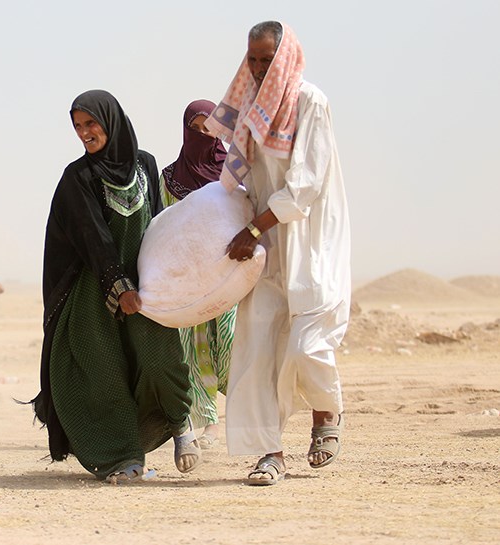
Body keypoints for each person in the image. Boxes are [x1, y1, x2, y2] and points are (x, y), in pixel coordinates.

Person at [204, 21, 350, 485]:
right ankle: (270, 453)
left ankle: (326, 415)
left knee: (308, 345)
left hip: (309, 240)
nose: (260, 67)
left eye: (268, 59)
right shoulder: (251, 109)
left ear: (285, 58)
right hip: (265, 246)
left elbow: (304, 186)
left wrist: (253, 227)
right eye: (253, 59)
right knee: (257, 349)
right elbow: (246, 178)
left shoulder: (311, 102)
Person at [30, 89, 201, 483]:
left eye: (90, 123)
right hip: (95, 290)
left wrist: (169, 279)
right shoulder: (78, 177)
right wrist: (118, 286)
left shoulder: (145, 165)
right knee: (102, 372)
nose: (84, 133)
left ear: (111, 121)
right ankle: (123, 457)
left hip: (146, 285)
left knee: (160, 358)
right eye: (77, 126)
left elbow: (158, 226)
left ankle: (180, 425)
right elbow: (93, 238)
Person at [159, 99, 235, 449]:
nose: (204, 135)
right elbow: (161, 227)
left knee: (232, 342)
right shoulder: (170, 178)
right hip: (188, 280)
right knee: (193, 348)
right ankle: (209, 423)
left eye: (210, 128)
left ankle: (249, 413)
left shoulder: (234, 172)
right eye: (197, 128)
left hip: (229, 275)